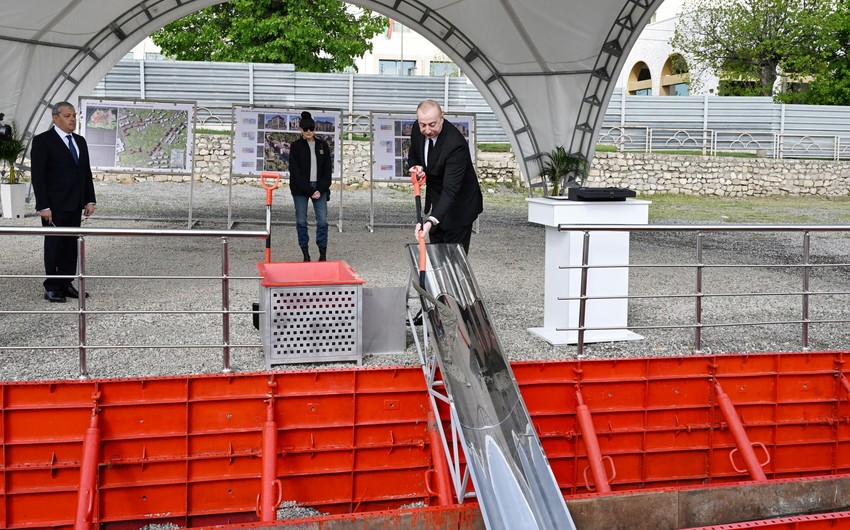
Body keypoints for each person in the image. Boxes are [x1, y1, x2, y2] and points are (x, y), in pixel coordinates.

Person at [31, 101, 96, 303]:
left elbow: (85, 172)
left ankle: (66, 283)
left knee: (70, 245)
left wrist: (89, 199)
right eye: (67, 116)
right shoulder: (43, 141)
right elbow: (38, 176)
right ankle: (51, 286)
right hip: (54, 206)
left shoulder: (80, 141)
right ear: (55, 118)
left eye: (74, 115)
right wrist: (43, 206)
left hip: (74, 203)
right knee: (54, 245)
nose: (72, 119)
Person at [408, 99, 483, 254]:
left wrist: (429, 222)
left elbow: (450, 190)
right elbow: (414, 155)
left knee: (454, 261)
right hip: (437, 199)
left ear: (442, 117)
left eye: (432, 124)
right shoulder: (417, 128)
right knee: (437, 256)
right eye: (423, 125)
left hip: (460, 205)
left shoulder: (455, 144)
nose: (427, 130)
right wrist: (418, 168)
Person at [288, 111, 332, 262]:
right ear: (301, 130)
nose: (309, 132)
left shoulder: (322, 145)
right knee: (301, 220)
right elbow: (295, 171)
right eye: (305, 129)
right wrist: (310, 190)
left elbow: (327, 170)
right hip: (301, 189)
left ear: (315, 129)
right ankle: (305, 253)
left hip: (320, 188)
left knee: (323, 221)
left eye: (311, 129)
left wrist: (320, 188)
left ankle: (322, 253)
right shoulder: (295, 146)